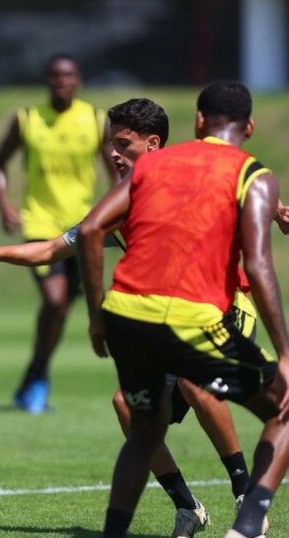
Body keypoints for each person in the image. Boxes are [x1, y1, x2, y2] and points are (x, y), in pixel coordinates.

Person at [0, 97, 264, 537]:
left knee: (195, 380)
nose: (112, 154)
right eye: (110, 144)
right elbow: (52, 248)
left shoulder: (187, 178)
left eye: (122, 144)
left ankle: (246, 496)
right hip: (173, 319)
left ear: (152, 144)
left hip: (228, 307)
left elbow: (245, 200)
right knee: (126, 405)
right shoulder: (121, 203)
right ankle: (187, 507)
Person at [77, 81, 288, 538]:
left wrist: (97, 317)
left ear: (196, 122)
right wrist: (284, 351)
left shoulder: (152, 166)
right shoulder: (252, 172)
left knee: (143, 427)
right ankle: (249, 521)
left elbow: (91, 229)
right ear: (249, 127)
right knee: (283, 406)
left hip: (125, 317)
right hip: (191, 314)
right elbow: (258, 263)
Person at [0, 53, 118, 413]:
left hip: (84, 229)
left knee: (62, 310)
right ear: (47, 80)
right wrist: (4, 206)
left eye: (69, 75)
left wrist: (114, 214)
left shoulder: (95, 120)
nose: (62, 81)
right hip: (40, 226)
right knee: (55, 300)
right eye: (56, 75)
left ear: (78, 81)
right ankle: (38, 379)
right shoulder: (28, 119)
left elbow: (117, 174)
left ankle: (35, 376)